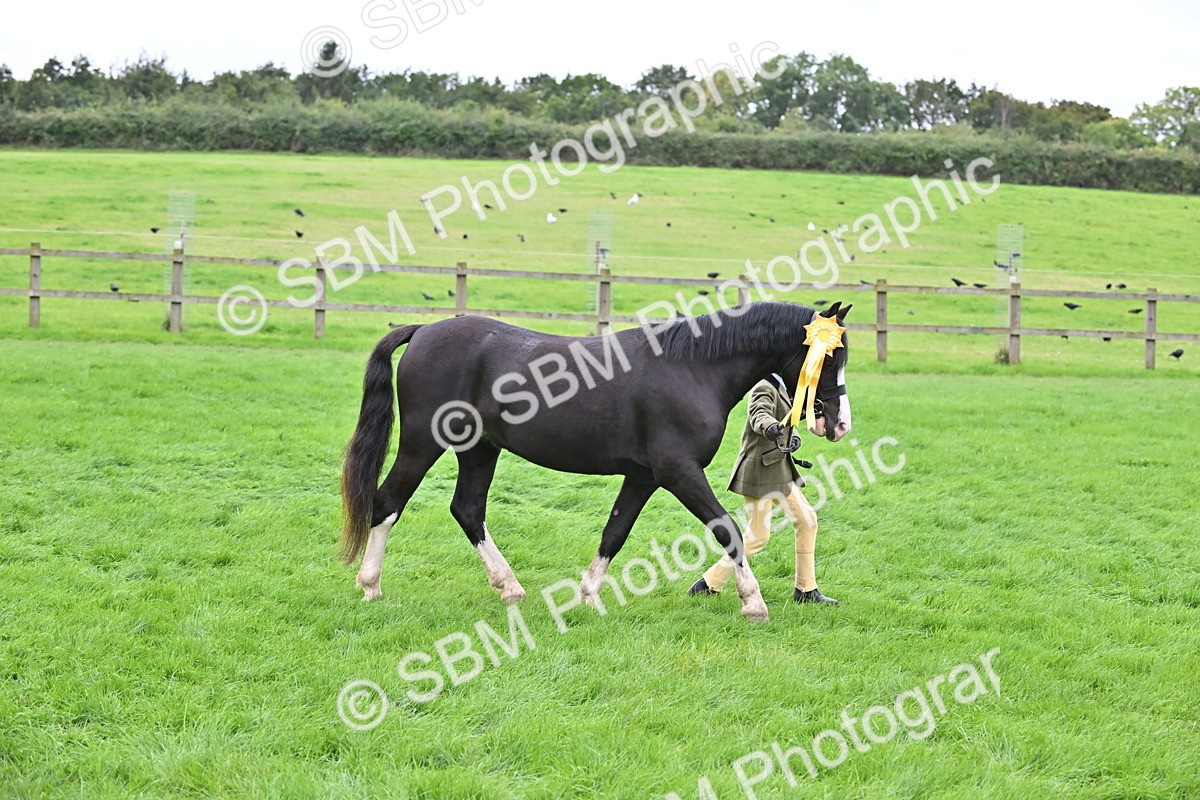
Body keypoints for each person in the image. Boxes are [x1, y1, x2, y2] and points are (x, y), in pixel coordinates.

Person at [686, 376, 838, 604]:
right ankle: (709, 583)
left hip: (779, 470)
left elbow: (788, 423)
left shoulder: (787, 388)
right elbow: (759, 414)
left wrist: (793, 437)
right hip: (759, 473)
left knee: (807, 519)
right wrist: (770, 427)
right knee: (757, 536)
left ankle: (806, 590)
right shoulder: (763, 386)